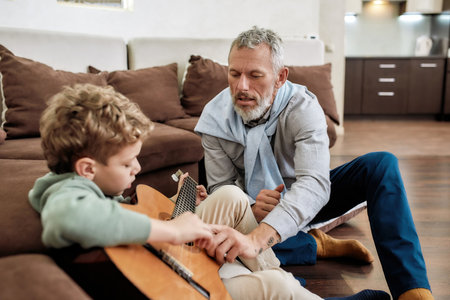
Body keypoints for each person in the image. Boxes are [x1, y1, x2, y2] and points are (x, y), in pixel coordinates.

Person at [29, 83, 386, 300]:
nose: (136, 169)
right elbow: (71, 216)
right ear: (87, 169)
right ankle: (285, 288)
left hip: (161, 260)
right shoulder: (66, 194)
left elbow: (120, 214)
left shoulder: (87, 187)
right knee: (279, 292)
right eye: (126, 164)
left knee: (230, 194)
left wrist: (176, 204)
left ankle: (270, 271)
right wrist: (174, 229)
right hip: (173, 286)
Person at [195, 26, 433, 300]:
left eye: (255, 75)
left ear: (280, 77)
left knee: (381, 165)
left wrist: (258, 238)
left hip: (305, 199)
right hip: (253, 209)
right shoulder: (213, 120)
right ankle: (316, 245)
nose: (241, 87)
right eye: (234, 74)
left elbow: (315, 185)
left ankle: (413, 291)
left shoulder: (302, 107)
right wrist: (250, 208)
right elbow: (222, 189)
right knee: (220, 236)